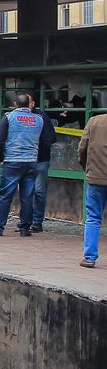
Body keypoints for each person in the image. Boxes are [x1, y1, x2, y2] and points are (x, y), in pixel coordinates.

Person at [0, 94, 42, 237]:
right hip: (31, 161)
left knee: (5, 195)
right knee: (27, 196)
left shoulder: (9, 118)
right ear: (30, 104)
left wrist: (1, 158)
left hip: (12, 161)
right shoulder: (39, 120)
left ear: (15, 103)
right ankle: (25, 228)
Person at [78, 113, 107, 268]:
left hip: (96, 178)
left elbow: (83, 148)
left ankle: (89, 257)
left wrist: (87, 169)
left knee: (93, 218)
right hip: (95, 176)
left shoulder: (94, 121)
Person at [27, 98, 57, 234]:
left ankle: (36, 221)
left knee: (37, 191)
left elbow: (51, 137)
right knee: (28, 192)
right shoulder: (18, 117)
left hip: (39, 160)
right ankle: (27, 221)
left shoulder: (41, 116)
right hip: (29, 159)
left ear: (33, 104)